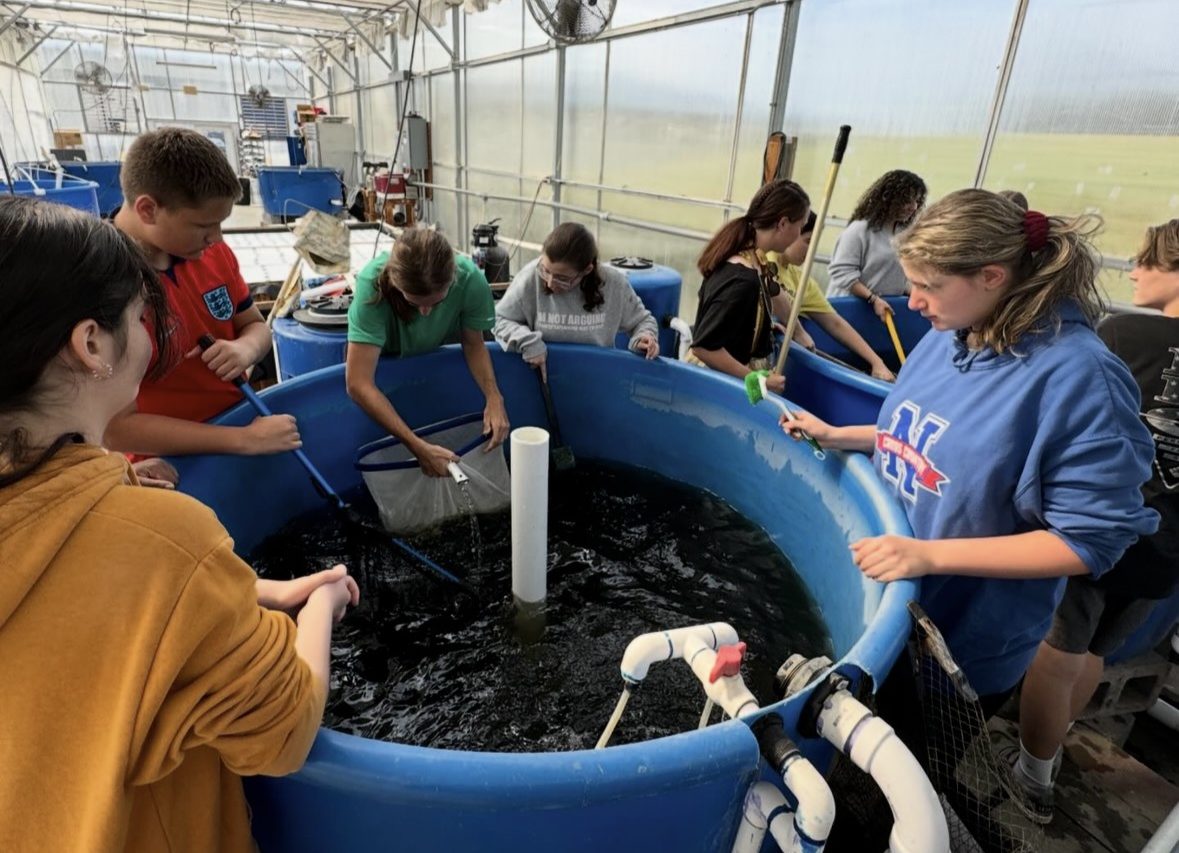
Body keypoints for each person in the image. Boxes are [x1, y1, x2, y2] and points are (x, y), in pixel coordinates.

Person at [0, 196, 359, 852]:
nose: (151, 335)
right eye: (139, 319)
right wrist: (319, 602)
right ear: (90, 345)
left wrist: (260, 590)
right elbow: (283, 733)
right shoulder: (166, 540)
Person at [780, 190, 1157, 793]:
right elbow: (924, 433)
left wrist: (929, 557)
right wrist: (841, 433)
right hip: (885, 602)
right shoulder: (953, 329)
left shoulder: (1080, 380)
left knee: (893, 786)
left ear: (992, 275)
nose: (913, 301)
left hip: (956, 644)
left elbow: (1089, 543)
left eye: (926, 286)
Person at [1013, 219, 1179, 820]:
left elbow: (1064, 408)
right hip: (1168, 542)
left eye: (1146, 261)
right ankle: (1051, 749)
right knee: (1097, 652)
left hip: (1099, 522)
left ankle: (1033, 774)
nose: (1134, 270)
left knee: (1058, 648)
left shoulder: (1122, 331)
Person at [105, 127, 299, 459]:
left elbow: (255, 325)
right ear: (148, 210)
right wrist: (241, 440)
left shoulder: (213, 255)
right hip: (164, 458)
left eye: (221, 224)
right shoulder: (102, 283)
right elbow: (114, 428)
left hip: (240, 421)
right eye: (203, 227)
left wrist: (245, 349)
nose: (217, 239)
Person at [346, 227, 510, 477]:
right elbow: (358, 383)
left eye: (437, 302)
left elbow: (474, 343)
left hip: (432, 352)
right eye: (413, 303)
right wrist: (417, 446)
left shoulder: (471, 280)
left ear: (453, 278)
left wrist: (494, 396)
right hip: (384, 360)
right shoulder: (372, 286)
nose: (425, 314)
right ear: (394, 281)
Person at [688, 179, 813, 392]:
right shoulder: (742, 280)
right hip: (714, 388)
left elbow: (732, 316)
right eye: (800, 227)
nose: (798, 236)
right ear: (783, 224)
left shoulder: (754, 259)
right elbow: (704, 347)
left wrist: (761, 326)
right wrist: (760, 380)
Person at [494, 222, 660, 379]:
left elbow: (642, 321)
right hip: (540, 379)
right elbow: (498, 318)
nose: (550, 282)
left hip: (597, 379)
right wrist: (526, 341)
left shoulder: (613, 284)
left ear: (587, 270)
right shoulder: (531, 276)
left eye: (562, 278)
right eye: (546, 271)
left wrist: (643, 338)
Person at [767, 212, 896, 381]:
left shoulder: (801, 280)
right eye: (807, 241)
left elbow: (835, 323)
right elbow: (771, 292)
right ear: (790, 232)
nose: (812, 249)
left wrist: (876, 362)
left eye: (815, 242)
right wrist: (798, 331)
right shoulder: (764, 259)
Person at [826, 169, 927, 320]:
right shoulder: (860, 230)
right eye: (908, 200)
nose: (913, 207)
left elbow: (900, 277)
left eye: (917, 201)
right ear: (889, 199)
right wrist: (872, 299)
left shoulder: (904, 234)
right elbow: (842, 273)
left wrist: (921, 294)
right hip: (848, 311)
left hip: (882, 310)